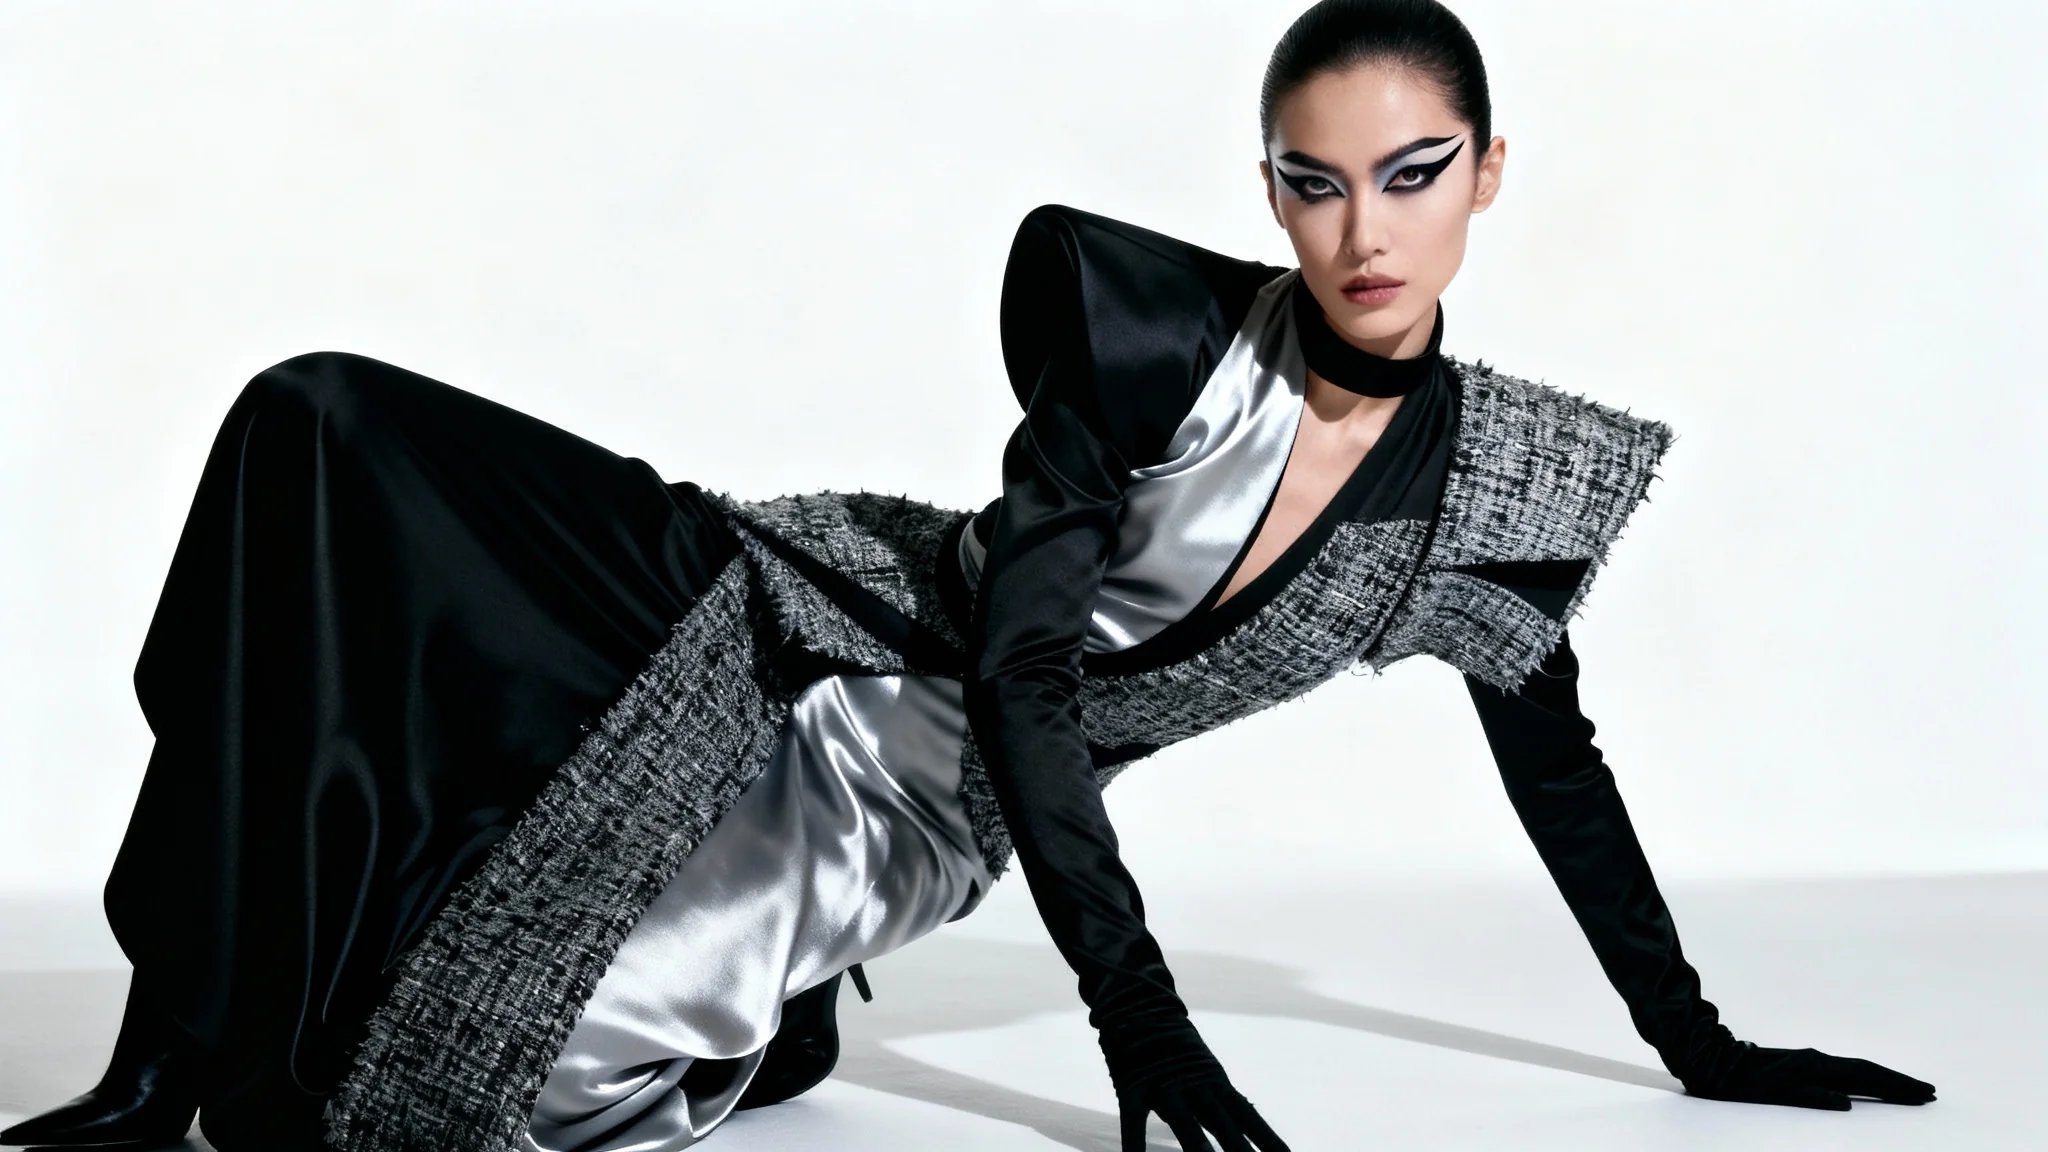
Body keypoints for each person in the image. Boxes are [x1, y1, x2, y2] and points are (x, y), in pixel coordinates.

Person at [1, 2, 1937, 1150]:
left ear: (1486, 175)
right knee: (322, 427)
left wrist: (1699, 1045)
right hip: (756, 602)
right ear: (1269, 187)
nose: (1363, 228)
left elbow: (1558, 776)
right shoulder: (1148, 332)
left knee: (436, 1106)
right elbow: (1017, 663)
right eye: (1314, 179)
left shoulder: (1511, 489)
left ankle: (769, 998)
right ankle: (166, 1030)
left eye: (1411, 174)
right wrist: (1138, 1017)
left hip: (903, 802)